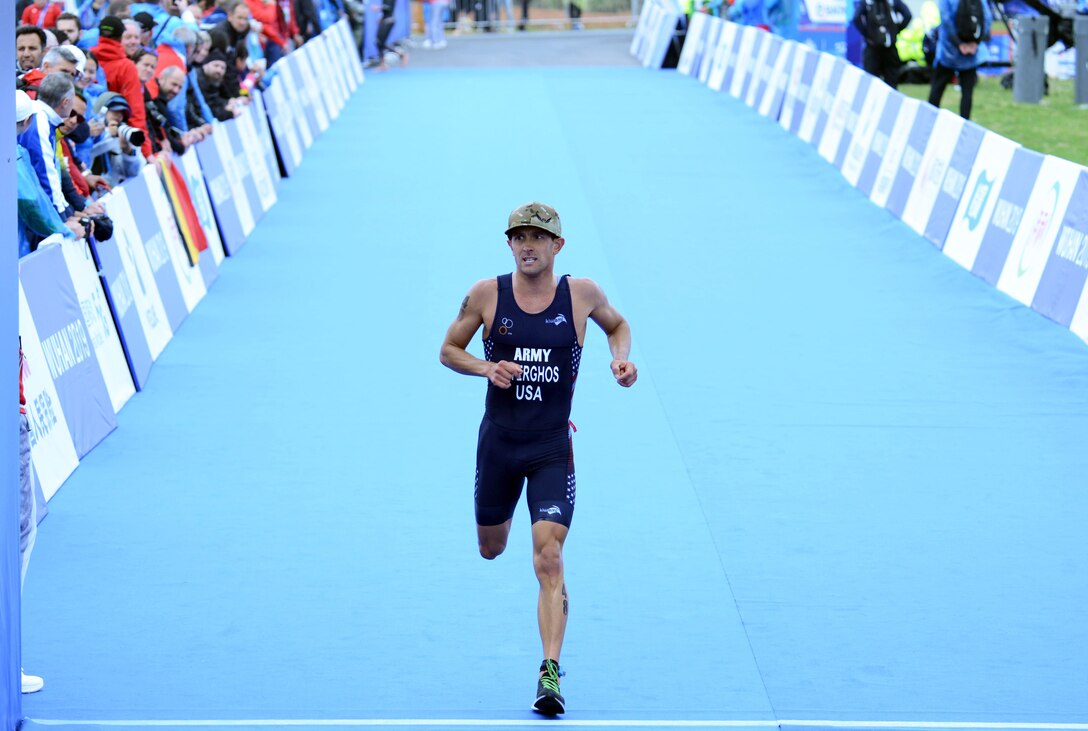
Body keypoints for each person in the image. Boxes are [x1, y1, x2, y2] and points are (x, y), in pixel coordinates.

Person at [438, 202, 638, 717]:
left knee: (548, 557)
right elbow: (447, 350)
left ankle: (549, 671)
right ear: (509, 244)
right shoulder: (487, 294)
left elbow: (617, 325)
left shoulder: (582, 294)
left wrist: (620, 358)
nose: (527, 245)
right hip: (500, 445)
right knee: (491, 547)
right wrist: (486, 368)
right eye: (518, 237)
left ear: (557, 246)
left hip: (552, 447)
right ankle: (498, 531)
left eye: (537, 237)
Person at [927, 0, 991, 119]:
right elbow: (987, 18)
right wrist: (975, 43)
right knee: (967, 93)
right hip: (972, 52)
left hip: (948, 52)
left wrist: (959, 43)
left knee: (937, 89)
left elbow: (945, 20)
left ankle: (929, 121)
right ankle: (965, 124)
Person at [852, 0, 911, 88]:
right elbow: (908, 15)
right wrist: (896, 31)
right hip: (890, 48)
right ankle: (891, 102)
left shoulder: (867, 2)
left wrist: (867, 34)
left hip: (872, 48)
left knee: (870, 83)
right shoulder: (893, 2)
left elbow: (856, 18)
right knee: (891, 84)